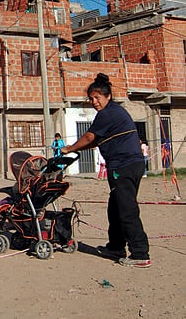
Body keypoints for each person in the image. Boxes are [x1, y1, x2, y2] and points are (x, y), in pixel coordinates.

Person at [61, 73, 150, 268]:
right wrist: (73, 149)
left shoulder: (107, 114)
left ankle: (140, 253)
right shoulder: (114, 113)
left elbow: (89, 137)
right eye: (91, 98)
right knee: (115, 207)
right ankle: (116, 246)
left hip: (124, 166)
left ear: (107, 96)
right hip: (129, 164)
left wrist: (69, 148)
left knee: (126, 209)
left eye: (97, 97)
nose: (94, 102)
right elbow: (94, 142)